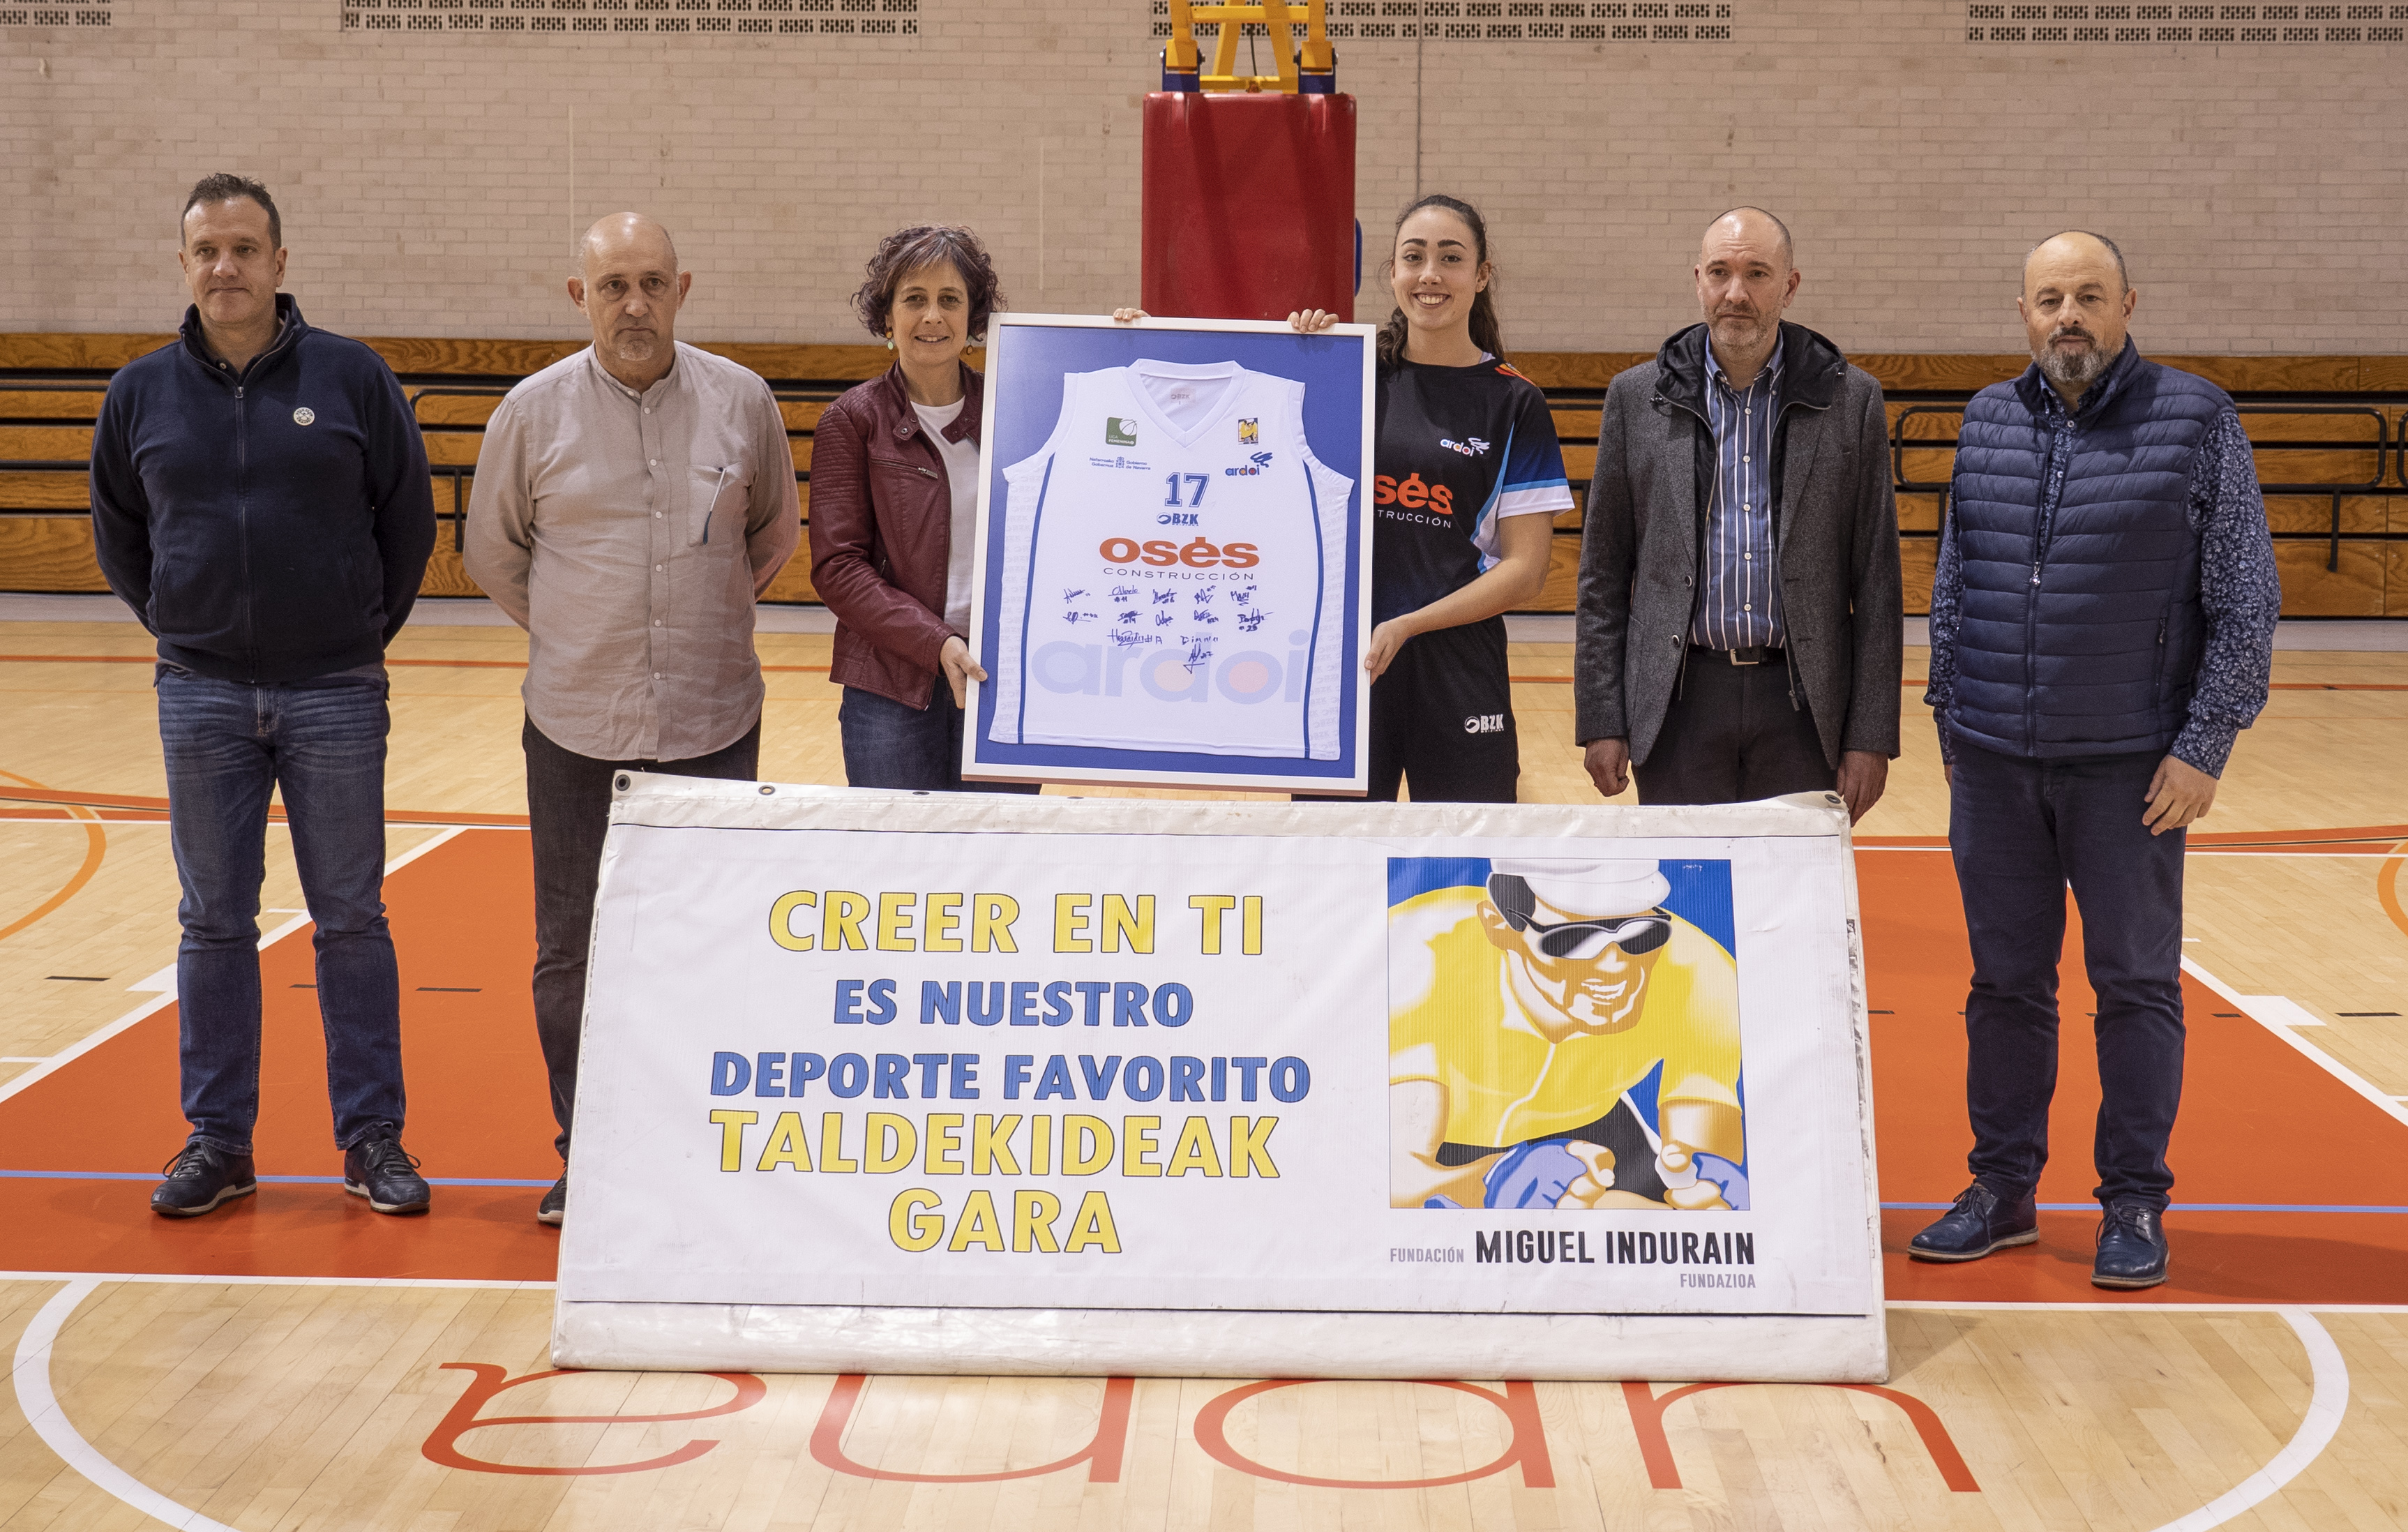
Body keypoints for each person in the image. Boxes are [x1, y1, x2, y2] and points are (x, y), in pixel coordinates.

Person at [1910, 231, 2279, 1289]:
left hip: (2131, 769)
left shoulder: (2197, 420)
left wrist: (2203, 746)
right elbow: (1955, 585)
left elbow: (2247, 602)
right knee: (2005, 986)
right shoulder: (1986, 419)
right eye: (2047, 299)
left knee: (2135, 986)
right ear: (2022, 313)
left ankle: (2131, 1204)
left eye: (2087, 297)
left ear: (2127, 305)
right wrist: (1951, 712)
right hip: (1993, 763)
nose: (2066, 316)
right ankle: (2003, 1192)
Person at [89, 173, 437, 1218]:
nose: (226, 268)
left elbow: (407, 524)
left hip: (336, 688)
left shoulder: (351, 376)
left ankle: (373, 1139)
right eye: (207, 251)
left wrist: (354, 634)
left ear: (282, 264)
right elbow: (121, 535)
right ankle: (220, 1142)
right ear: (184, 265)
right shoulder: (140, 393)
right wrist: (187, 628)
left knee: (350, 921)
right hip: (199, 694)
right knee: (213, 925)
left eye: (245, 249)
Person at [465, 212, 799, 1225]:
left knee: (710, 946)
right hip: (575, 725)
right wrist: (582, 634)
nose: (635, 305)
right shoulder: (531, 415)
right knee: (572, 950)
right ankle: (591, 1152)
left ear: (683, 288)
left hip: (712, 719)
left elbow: (772, 537)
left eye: (653, 283)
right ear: (580, 296)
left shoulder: (743, 403)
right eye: (614, 286)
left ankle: (695, 1148)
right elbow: (495, 555)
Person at [1574, 207, 1901, 818]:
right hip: (1677, 700)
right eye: (1720, 272)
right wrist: (1602, 717)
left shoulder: (1851, 400)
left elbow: (1878, 583)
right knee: (1687, 898)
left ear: (1790, 286)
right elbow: (1602, 577)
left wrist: (1870, 735)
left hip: (1805, 705)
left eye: (1756, 273)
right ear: (1698, 279)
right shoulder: (1635, 398)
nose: (1736, 293)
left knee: (1792, 904)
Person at [1280, 194, 1573, 802]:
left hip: (1459, 668)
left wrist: (1410, 624)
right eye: (1413, 257)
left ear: (1481, 275)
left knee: (1465, 869)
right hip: (1346, 667)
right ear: (1392, 273)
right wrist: (1131, 336)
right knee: (1333, 870)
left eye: (1451, 258)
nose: (1430, 275)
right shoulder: (1351, 378)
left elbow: (1526, 573)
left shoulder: (1515, 402)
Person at [808, 225, 1037, 793]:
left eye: (950, 299)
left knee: (1000, 864)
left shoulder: (1019, 409)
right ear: (887, 318)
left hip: (1000, 679)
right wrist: (936, 642)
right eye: (914, 299)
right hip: (889, 688)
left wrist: (1131, 337)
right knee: (899, 870)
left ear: (973, 318)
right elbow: (838, 567)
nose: (932, 316)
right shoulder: (852, 421)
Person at [1387, 859, 1744, 1211]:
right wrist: (1493, 1180)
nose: (1614, 967)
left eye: (1640, 935)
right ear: (1499, 927)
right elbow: (1400, 1178)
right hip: (1445, 1131)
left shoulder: (1699, 972)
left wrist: (1705, 1185)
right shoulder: (1417, 957)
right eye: (1573, 940)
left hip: (1589, 1118)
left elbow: (1696, 1162)